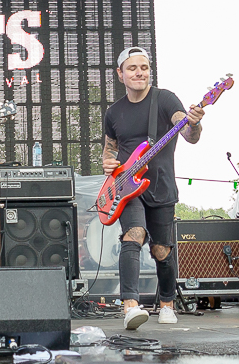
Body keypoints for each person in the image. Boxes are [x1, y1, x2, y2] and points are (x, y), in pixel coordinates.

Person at [102, 46, 205, 330]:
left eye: (144, 68)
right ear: (120, 74)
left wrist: (193, 125)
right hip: (127, 187)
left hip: (160, 184)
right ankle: (130, 305)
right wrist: (108, 164)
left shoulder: (165, 99)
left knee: (161, 250)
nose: (139, 73)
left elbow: (186, 132)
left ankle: (167, 304)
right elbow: (109, 151)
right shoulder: (114, 112)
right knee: (133, 236)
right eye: (133, 68)